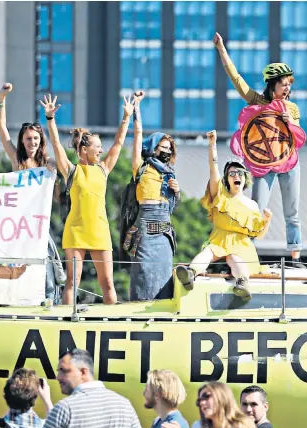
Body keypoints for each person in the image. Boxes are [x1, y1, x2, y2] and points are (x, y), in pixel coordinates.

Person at [213, 32, 304, 268]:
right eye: (283, 84)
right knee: (254, 208)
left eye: (288, 84)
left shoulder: (292, 108)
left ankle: (295, 256)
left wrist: (290, 121)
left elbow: (299, 137)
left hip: (289, 165)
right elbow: (237, 80)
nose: (287, 88)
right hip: (263, 167)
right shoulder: (257, 101)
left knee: (292, 212)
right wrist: (222, 49)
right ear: (272, 85)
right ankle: (247, 254)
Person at [40, 93, 136, 305]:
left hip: (100, 231)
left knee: (108, 283)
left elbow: (119, 143)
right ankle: (64, 321)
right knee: (72, 282)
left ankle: (112, 324)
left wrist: (126, 117)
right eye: (97, 146)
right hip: (75, 231)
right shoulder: (71, 171)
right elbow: (55, 144)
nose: (101, 150)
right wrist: (50, 119)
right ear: (84, 150)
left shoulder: (103, 169)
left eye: (101, 146)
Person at [176, 130, 273, 302]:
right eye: (232, 173)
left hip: (241, 243)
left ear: (245, 178)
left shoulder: (252, 205)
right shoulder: (220, 195)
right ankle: (190, 274)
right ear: (227, 179)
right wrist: (212, 145)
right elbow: (213, 169)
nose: (236, 176)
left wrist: (266, 221)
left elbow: (258, 234)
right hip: (219, 238)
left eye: (240, 173)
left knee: (235, 259)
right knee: (207, 253)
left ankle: (243, 283)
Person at [0, 82, 65, 302]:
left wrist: (56, 180)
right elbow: (2, 130)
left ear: (41, 140)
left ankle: (49, 300)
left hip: (40, 223)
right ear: (22, 141)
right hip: (19, 223)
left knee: (44, 262)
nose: (32, 142)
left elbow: (57, 197)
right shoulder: (18, 161)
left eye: (36, 138)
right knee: (20, 262)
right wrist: (2, 100)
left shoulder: (49, 163)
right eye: (28, 138)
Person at [128, 91, 180, 301]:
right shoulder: (140, 166)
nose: (166, 151)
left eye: (169, 148)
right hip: (146, 225)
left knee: (164, 272)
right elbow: (138, 134)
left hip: (165, 228)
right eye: (162, 147)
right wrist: (137, 108)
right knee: (143, 272)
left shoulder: (169, 173)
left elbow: (172, 206)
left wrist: (176, 191)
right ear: (153, 147)